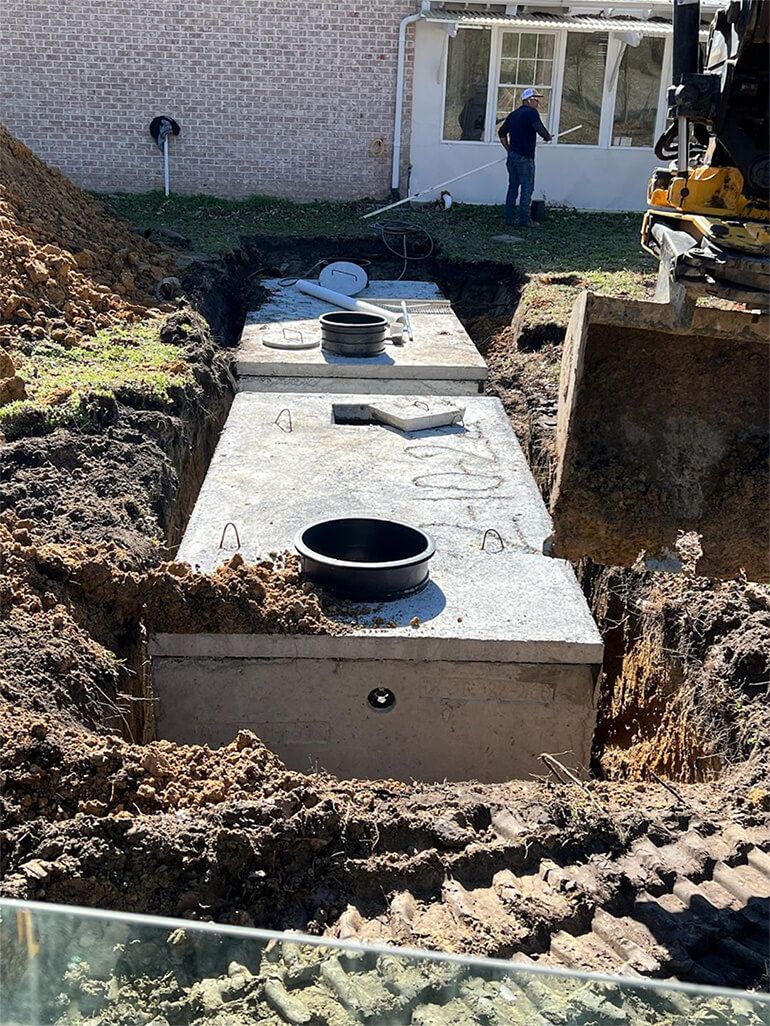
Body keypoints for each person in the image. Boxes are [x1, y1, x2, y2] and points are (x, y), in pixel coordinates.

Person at [498, 88, 552, 227]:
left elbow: (501, 132)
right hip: (526, 158)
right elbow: (539, 128)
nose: (537, 103)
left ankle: (509, 219)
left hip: (513, 158)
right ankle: (525, 220)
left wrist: (509, 150)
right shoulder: (531, 112)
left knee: (513, 188)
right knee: (527, 188)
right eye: (535, 100)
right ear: (528, 100)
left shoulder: (513, 115)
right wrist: (547, 137)